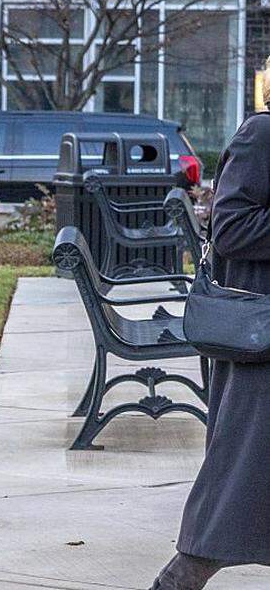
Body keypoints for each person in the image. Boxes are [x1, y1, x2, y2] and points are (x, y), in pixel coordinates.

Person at [152, 110, 270, 590]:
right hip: (260, 345)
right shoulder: (262, 134)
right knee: (240, 470)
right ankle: (183, 576)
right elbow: (232, 228)